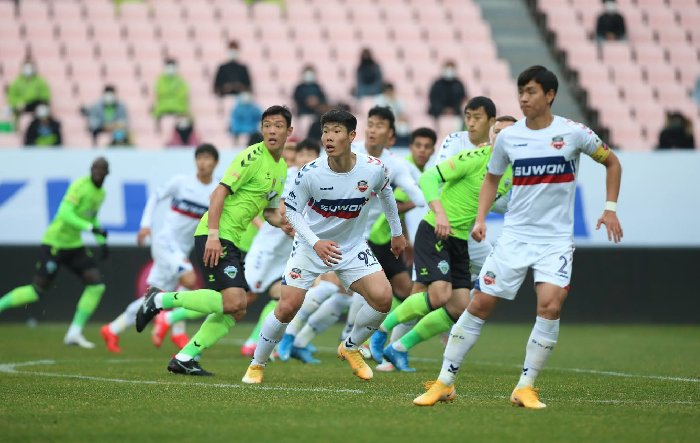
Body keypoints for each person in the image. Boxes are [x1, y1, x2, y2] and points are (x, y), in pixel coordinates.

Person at [414, 65, 623, 409]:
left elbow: (612, 162)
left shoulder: (574, 133)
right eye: (521, 92)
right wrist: (481, 218)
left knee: (550, 305)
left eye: (531, 92)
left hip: (555, 240)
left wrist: (610, 207)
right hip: (515, 236)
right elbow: (492, 179)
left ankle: (525, 386)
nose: (524, 98)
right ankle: (444, 382)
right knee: (479, 304)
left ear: (550, 95)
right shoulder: (509, 138)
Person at [241, 108, 407, 384]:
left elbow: (387, 196)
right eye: (325, 131)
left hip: (351, 247)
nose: (328, 137)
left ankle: (351, 346)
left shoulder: (373, 168)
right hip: (310, 247)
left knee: (383, 299)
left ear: (352, 136)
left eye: (336, 131)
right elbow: (292, 212)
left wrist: (397, 233)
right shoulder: (310, 173)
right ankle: (257, 364)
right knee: (287, 306)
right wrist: (315, 243)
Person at [134, 105, 292, 376]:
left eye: (278, 125)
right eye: (267, 125)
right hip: (216, 235)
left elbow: (268, 211)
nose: (272, 130)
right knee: (234, 303)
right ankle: (159, 301)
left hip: (231, 238)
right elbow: (218, 194)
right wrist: (214, 236)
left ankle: (185, 357)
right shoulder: (252, 156)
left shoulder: (280, 169)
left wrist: (285, 224)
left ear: (289, 131)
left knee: (237, 308)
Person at [277, 106, 427, 361]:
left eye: (380, 126)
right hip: (341, 239)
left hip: (374, 240)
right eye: (371, 124)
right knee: (335, 289)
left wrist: (401, 226)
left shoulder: (393, 165)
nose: (373, 130)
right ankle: (298, 338)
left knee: (386, 293)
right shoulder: (345, 154)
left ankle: (355, 342)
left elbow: (415, 196)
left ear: (391, 135)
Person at [377, 116, 516, 372]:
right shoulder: (473, 157)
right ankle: (378, 335)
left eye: (506, 133)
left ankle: (398, 349)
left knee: (460, 305)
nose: (500, 137)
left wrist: (480, 221)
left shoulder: (513, 171)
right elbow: (429, 179)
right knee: (433, 294)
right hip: (436, 231)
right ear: (491, 135)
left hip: (462, 239)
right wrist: (440, 214)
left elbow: (499, 202)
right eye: (497, 132)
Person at [100, 144, 220, 353]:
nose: (202, 162)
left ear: (215, 163)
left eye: (207, 158)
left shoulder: (216, 191)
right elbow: (155, 197)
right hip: (165, 242)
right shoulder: (181, 182)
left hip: (181, 249)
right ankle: (176, 331)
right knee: (190, 281)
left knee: (151, 298)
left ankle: (112, 329)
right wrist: (145, 224)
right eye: (199, 158)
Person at [0, 158, 110, 348]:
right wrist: (91, 228)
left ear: (107, 173)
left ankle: (74, 333)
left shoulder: (101, 194)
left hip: (74, 245)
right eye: (95, 169)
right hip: (55, 243)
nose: (98, 172)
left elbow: (92, 218)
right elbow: (64, 213)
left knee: (96, 285)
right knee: (37, 291)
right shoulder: (79, 186)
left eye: (102, 170)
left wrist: (102, 242)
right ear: (90, 170)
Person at [240, 139, 321, 358]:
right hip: (267, 250)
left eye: (309, 154)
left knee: (287, 296)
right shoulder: (289, 175)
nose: (304, 158)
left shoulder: (319, 178)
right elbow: (284, 211)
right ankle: (172, 314)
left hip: (288, 252)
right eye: (300, 153)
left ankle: (256, 341)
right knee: (240, 300)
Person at [153, 58, 190, 124]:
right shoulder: (160, 80)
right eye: (168, 67)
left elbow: (182, 94)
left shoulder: (180, 80)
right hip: (163, 107)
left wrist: (168, 93)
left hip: (178, 107)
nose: (170, 69)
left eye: (172, 67)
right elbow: (160, 92)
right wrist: (173, 92)